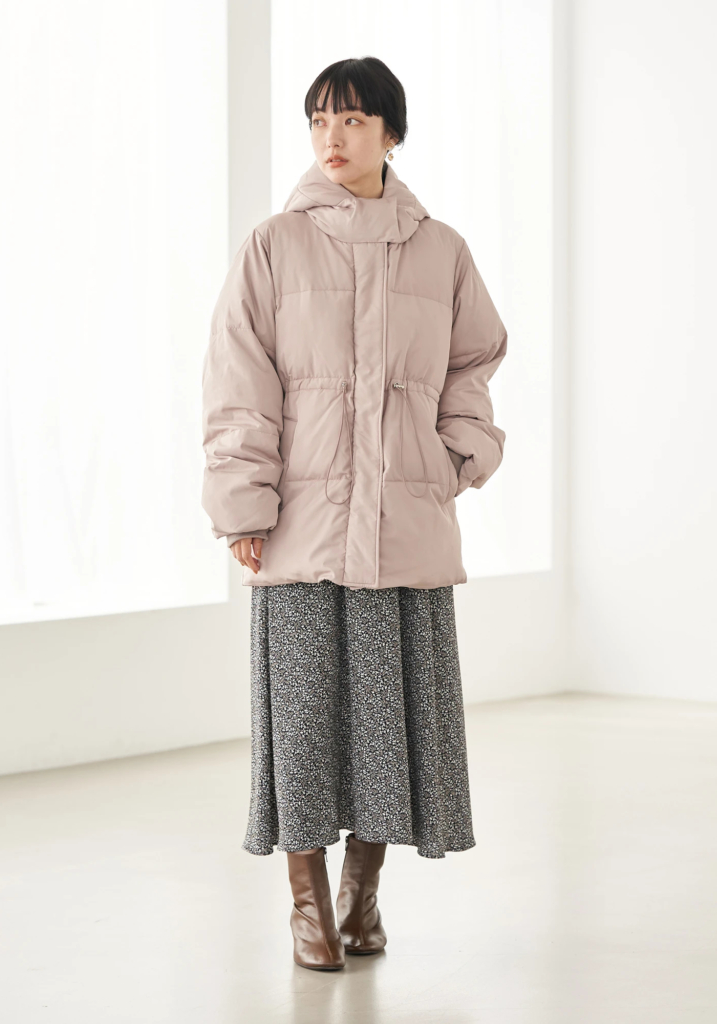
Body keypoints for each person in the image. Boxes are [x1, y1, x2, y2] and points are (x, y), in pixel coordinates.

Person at [200, 56, 507, 971]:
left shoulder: (442, 250)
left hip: (403, 527)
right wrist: (243, 504)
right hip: (301, 527)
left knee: (385, 727)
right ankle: (307, 909)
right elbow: (238, 382)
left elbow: (475, 361)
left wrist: (456, 456)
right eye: (319, 121)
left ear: (391, 134)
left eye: (352, 120)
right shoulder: (274, 245)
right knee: (303, 726)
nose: (331, 138)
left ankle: (362, 898)